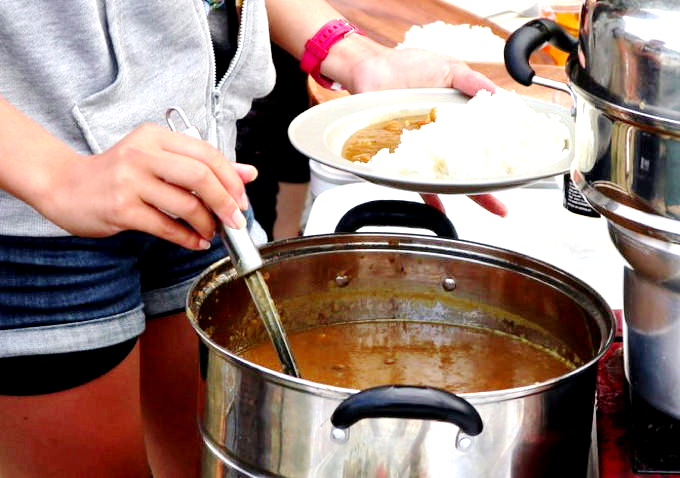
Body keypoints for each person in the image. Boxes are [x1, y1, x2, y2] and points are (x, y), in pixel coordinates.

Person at [0, 1, 497, 477]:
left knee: (218, 462)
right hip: (35, 228)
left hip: (203, 178)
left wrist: (353, 56)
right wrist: (56, 176)